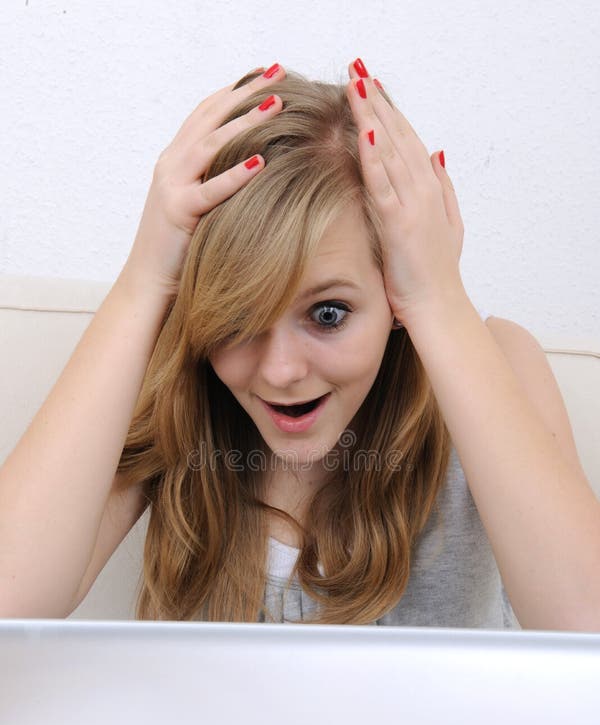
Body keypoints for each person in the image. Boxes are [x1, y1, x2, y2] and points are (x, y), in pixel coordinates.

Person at [1, 58, 599, 628]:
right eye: (237, 318)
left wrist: (439, 301)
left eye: (329, 313)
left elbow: (585, 626)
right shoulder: (172, 391)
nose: (282, 371)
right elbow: (10, 602)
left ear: (395, 291)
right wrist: (144, 283)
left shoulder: (497, 361)